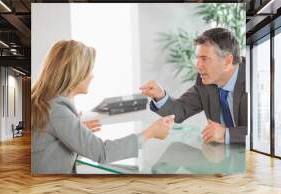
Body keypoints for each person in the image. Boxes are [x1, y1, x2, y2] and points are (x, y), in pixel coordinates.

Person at [31, 40, 175, 174]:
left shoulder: (46, 102)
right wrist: (150, 133)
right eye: (90, 70)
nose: (92, 76)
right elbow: (102, 152)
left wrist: (75, 128)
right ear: (75, 73)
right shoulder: (57, 110)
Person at [140, 28, 247, 144]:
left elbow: (263, 132)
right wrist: (160, 96)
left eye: (204, 59)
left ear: (227, 61)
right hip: (220, 155)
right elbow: (180, 111)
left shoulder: (254, 76)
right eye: (198, 58)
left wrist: (227, 134)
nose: (198, 66)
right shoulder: (205, 81)